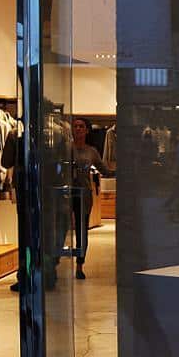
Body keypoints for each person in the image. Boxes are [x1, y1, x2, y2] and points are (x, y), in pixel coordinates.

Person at [69, 117, 113, 280]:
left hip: (84, 194)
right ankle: (56, 263)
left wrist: (119, 171)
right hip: (66, 193)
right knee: (62, 229)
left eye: (81, 126)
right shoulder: (66, 148)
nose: (78, 129)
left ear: (87, 130)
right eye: (75, 126)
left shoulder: (91, 151)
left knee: (82, 231)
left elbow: (104, 169)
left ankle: (80, 265)